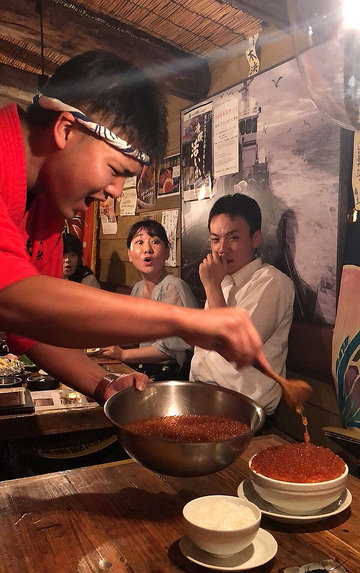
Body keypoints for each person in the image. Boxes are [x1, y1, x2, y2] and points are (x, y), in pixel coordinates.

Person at [0, 50, 265, 408]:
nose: (113, 191)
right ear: (66, 129)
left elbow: (31, 329)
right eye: (114, 169)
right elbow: (13, 296)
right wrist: (185, 321)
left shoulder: (45, 208)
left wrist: (103, 384)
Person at [190, 194, 295, 415]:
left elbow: (236, 348)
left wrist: (211, 287)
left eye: (233, 238)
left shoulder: (272, 282)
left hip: (241, 408)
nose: (221, 249)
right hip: (202, 396)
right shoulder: (221, 279)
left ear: (255, 238)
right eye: (215, 239)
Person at [99, 220, 197, 378]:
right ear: (130, 255)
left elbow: (169, 352)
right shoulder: (138, 288)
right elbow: (132, 333)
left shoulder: (173, 287)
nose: (147, 249)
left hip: (169, 375)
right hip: (144, 369)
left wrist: (123, 354)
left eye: (155, 242)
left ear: (167, 252)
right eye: (139, 242)